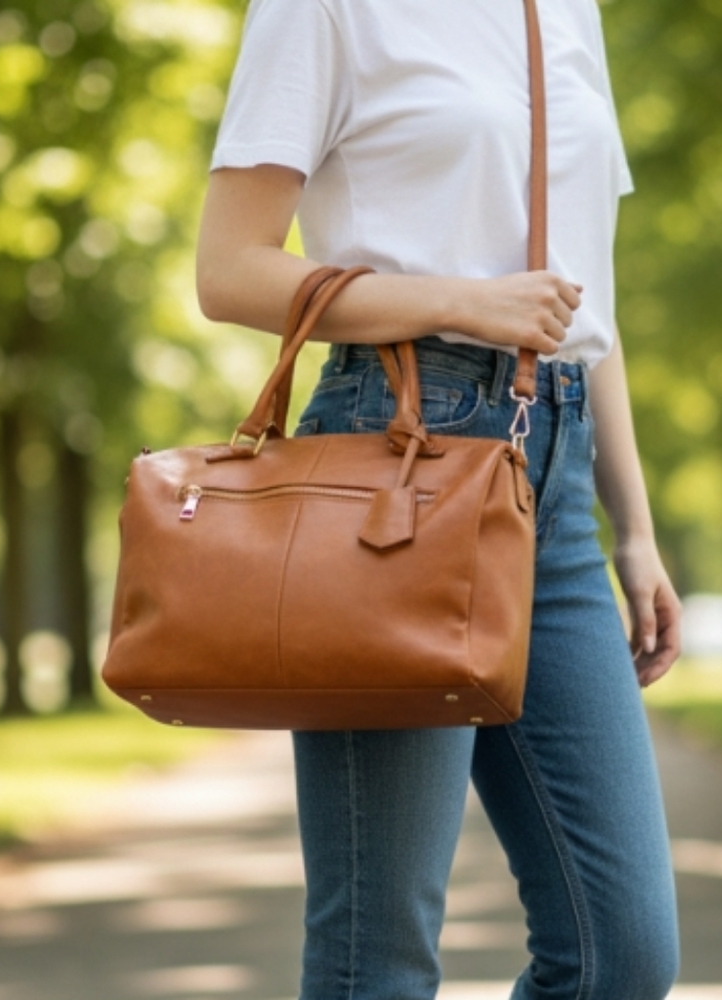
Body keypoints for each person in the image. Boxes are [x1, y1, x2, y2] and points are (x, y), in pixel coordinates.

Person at [196, 0, 682, 997]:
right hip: (399, 452)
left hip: (552, 465)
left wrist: (634, 528)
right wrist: (457, 298)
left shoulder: (561, 11)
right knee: (377, 951)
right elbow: (228, 270)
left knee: (620, 956)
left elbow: (585, 296)